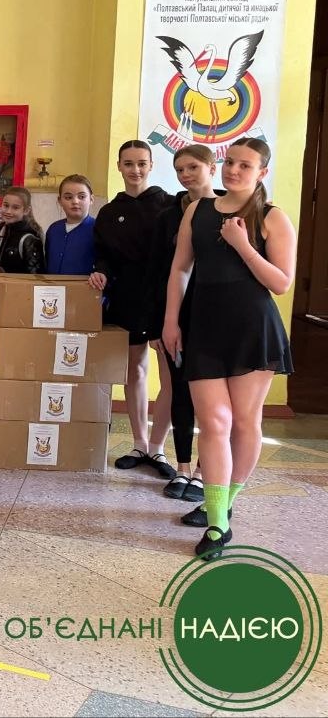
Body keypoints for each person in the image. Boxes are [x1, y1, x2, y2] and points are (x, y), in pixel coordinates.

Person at [162, 138, 294, 558]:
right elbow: (180, 268)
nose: (233, 170)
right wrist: (171, 320)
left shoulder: (272, 217)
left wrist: (243, 245)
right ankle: (218, 523)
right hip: (204, 326)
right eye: (230, 161)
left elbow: (281, 282)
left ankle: (223, 505)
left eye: (245, 165)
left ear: (262, 173)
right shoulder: (197, 210)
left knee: (244, 421)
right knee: (214, 422)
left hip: (253, 328)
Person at [90, 140, 176, 478]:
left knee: (169, 376)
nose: (135, 170)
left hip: (165, 299)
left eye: (141, 163)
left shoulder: (171, 204)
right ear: (119, 166)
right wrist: (100, 271)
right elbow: (103, 255)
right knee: (135, 371)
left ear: (152, 165)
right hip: (128, 298)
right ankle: (139, 443)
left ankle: (158, 447)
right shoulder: (110, 212)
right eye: (128, 163)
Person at [148, 145, 217, 505]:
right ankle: (183, 468)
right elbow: (160, 272)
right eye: (179, 169)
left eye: (193, 167)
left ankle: (205, 472)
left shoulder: (230, 209)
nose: (186, 175)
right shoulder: (167, 216)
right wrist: (159, 324)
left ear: (211, 167)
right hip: (177, 316)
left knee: (211, 399)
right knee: (180, 391)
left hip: (216, 316)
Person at [46, 174, 97, 275]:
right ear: (60, 201)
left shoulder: (98, 229)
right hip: (52, 284)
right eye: (68, 197)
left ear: (91, 199)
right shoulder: (53, 229)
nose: (75, 201)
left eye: (82, 197)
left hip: (84, 285)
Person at [0, 187, 45, 274]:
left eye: (15, 208)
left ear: (26, 210)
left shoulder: (29, 239)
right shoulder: (0, 234)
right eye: (6, 206)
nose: (8, 211)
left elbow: (35, 277)